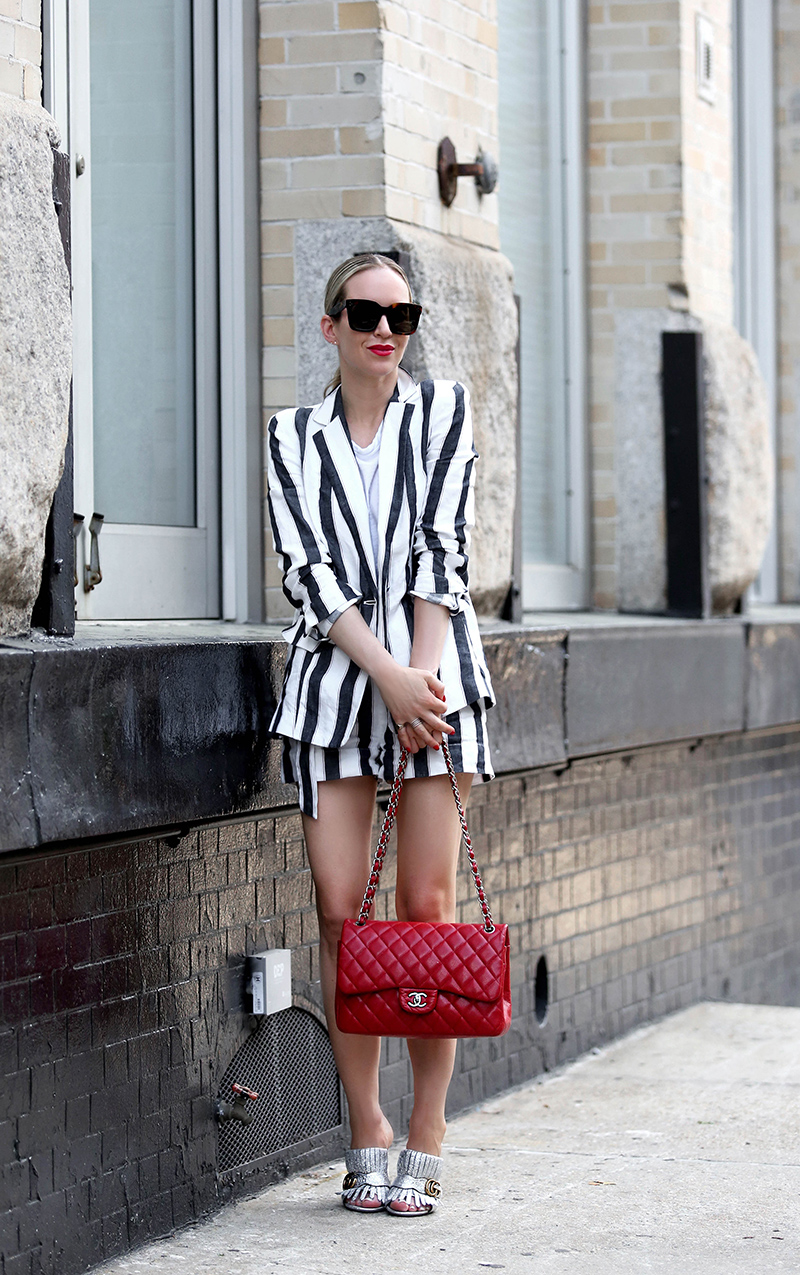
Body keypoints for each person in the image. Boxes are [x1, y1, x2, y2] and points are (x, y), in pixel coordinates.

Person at [266, 253, 495, 1216]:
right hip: (336, 681)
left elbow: (443, 544)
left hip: (433, 675)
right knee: (339, 913)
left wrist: (423, 681)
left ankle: (429, 1130)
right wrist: (385, 675)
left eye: (402, 311)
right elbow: (310, 576)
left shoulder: (443, 414)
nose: (384, 326)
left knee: (427, 905)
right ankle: (366, 1125)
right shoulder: (291, 436)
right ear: (332, 326)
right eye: (364, 310)